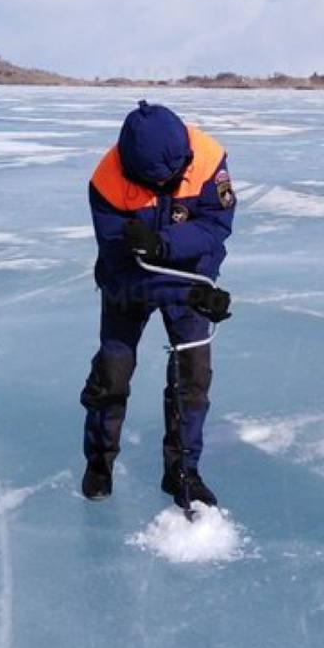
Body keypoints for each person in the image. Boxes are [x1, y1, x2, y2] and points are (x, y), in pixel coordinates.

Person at [79, 100, 235, 508]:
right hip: (128, 283)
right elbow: (121, 264)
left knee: (193, 377)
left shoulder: (207, 159)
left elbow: (215, 226)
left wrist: (168, 248)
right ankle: (99, 462)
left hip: (192, 273)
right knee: (113, 372)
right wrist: (192, 291)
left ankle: (182, 472)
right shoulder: (107, 181)